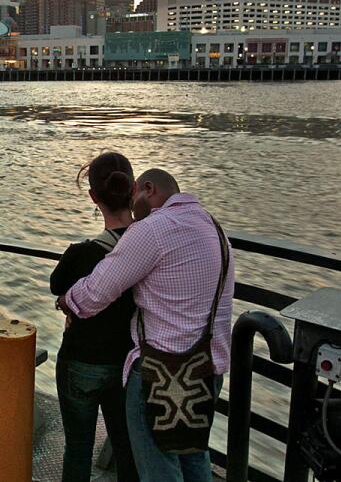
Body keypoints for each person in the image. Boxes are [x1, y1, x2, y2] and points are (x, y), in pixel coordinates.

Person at [58, 169, 234, 482]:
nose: (132, 204)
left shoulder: (153, 229)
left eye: (135, 195)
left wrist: (66, 302)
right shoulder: (212, 227)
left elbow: (97, 291)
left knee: (158, 471)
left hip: (160, 377)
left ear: (148, 189)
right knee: (195, 458)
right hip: (206, 371)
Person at [49, 152, 139, 482]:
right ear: (133, 190)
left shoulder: (80, 254)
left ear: (93, 198)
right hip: (128, 366)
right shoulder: (151, 249)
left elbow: (56, 286)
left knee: (78, 449)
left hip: (80, 363)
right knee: (128, 447)